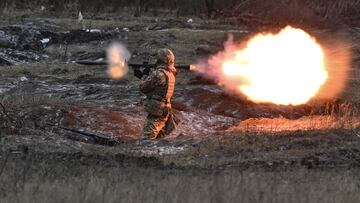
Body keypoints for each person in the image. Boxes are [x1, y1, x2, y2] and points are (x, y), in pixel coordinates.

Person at [139, 48, 178, 140]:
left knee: (146, 139)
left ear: (160, 60)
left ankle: (146, 154)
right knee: (157, 139)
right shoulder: (170, 74)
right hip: (164, 109)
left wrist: (143, 75)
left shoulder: (158, 74)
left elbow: (143, 88)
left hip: (157, 110)